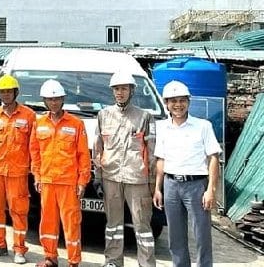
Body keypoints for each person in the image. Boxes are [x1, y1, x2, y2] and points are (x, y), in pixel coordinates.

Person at [153, 80, 221, 267]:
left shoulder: (203, 126)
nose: (178, 105)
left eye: (182, 100)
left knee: (202, 234)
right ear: (166, 104)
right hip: (171, 185)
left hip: (196, 186)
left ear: (188, 102)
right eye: (173, 101)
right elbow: (161, 159)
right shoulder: (162, 128)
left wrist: (211, 190)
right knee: (175, 236)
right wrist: (158, 188)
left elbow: (213, 157)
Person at [93, 71, 156, 267]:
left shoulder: (144, 117)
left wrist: (153, 182)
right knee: (113, 224)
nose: (120, 93)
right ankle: (113, 261)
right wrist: (98, 176)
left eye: (124, 89)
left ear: (132, 90)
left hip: (137, 178)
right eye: (116, 89)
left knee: (142, 225)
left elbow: (152, 151)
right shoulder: (104, 115)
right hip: (111, 177)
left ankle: (146, 264)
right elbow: (98, 148)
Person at [30, 79, 90, 267]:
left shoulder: (76, 124)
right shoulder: (39, 123)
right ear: (44, 101)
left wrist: (82, 181)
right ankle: (50, 257)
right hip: (47, 181)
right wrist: (37, 176)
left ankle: (73, 261)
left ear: (63, 99)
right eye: (50, 99)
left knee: (71, 223)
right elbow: (35, 152)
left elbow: (83, 155)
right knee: (48, 222)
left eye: (56, 99)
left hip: (68, 183)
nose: (53, 102)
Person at [0, 74, 35, 264]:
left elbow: (33, 145)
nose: (6, 95)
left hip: (18, 171)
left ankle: (19, 249)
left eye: (9, 91)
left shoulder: (29, 115)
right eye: (2, 92)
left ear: (16, 93)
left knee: (18, 210)